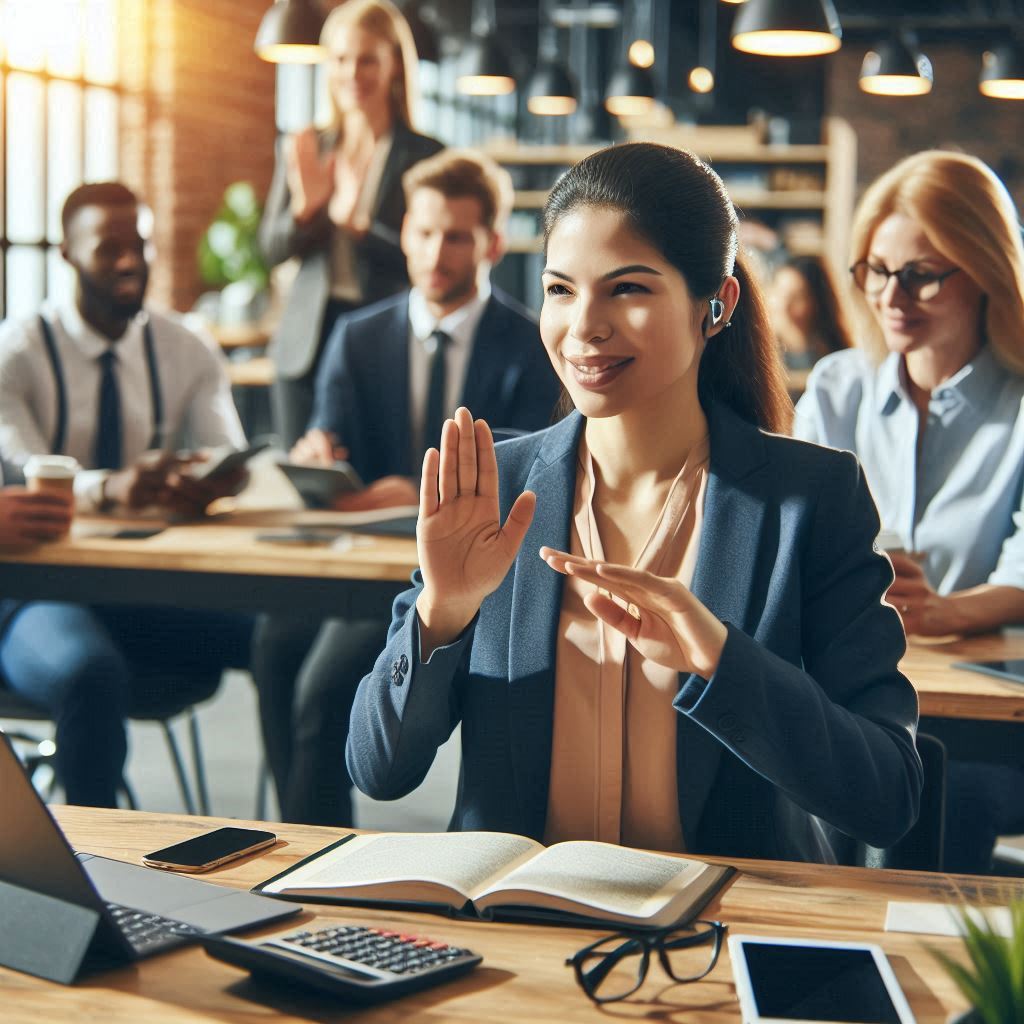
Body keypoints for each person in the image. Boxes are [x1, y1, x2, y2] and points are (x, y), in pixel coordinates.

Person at [345, 142, 923, 864]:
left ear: (716, 305)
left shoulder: (810, 499)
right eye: (560, 289)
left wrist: (719, 659)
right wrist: (442, 612)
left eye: (628, 289)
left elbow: (888, 796)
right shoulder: (492, 489)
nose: (584, 326)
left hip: (716, 937)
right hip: (523, 936)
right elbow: (379, 770)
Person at [252, 148, 561, 826]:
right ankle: (297, 832)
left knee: (321, 689)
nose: (435, 251)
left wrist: (409, 490)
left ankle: (313, 853)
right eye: (423, 233)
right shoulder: (358, 337)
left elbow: (536, 461)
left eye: (456, 235)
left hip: (466, 571)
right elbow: (331, 438)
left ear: (492, 243)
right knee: (272, 644)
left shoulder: (535, 342)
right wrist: (317, 450)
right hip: (362, 555)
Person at [793, 149, 1024, 873]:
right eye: (875, 270)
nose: (892, 296)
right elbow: (797, 540)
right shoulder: (838, 387)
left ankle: (906, 977)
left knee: (938, 787)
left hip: (988, 725)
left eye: (921, 274)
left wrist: (941, 611)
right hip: (854, 694)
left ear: (984, 270)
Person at [0, 182, 253, 808]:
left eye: (138, 244)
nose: (128, 261)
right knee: (91, 671)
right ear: (67, 253)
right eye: (108, 246)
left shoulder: (186, 346)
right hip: (37, 592)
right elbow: (23, 463)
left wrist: (213, 479)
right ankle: (96, 888)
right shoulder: (17, 351)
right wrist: (112, 488)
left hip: (149, 587)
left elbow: (230, 451)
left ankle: (313, 844)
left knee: (285, 638)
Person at [260, 0, 444, 448]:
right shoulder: (309, 146)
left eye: (367, 59)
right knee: (305, 478)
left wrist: (360, 230)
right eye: (341, 59)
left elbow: (432, 262)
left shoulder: (425, 155)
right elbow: (269, 248)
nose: (352, 73)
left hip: (382, 337)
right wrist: (307, 209)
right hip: (306, 340)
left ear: (394, 66)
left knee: (372, 479)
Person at [768, 254, 851, 372]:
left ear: (816, 303)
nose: (784, 306)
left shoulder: (835, 359)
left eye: (796, 297)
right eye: (780, 294)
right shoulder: (758, 350)